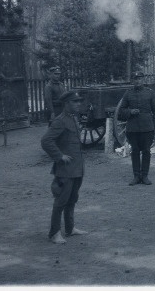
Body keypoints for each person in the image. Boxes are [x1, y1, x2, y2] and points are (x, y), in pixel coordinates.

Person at [40, 90, 88, 244]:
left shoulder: (73, 118)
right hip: (65, 170)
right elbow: (46, 141)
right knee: (61, 201)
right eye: (75, 102)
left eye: (79, 101)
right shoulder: (60, 120)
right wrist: (59, 156)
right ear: (66, 104)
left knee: (72, 199)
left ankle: (70, 228)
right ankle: (54, 233)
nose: (78, 104)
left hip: (76, 168)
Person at [119, 71, 155, 185]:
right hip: (133, 128)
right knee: (135, 151)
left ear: (143, 80)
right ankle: (136, 176)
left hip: (147, 127)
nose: (138, 81)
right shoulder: (128, 94)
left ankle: (145, 176)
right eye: (135, 79)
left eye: (140, 79)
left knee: (146, 151)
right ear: (133, 80)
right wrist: (130, 111)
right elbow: (121, 111)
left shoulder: (150, 93)